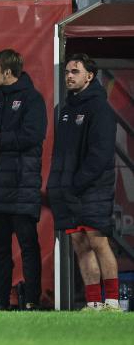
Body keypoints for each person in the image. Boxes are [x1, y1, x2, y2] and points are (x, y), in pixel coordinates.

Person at [0, 49, 46, 311]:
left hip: (21, 186)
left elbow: (33, 135)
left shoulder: (32, 100)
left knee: (28, 246)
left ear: (8, 72)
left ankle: (32, 302)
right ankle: (1, 302)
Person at [47, 54, 121, 311]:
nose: (69, 75)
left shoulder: (100, 108)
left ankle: (112, 301)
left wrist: (77, 183)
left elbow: (100, 154)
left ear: (89, 76)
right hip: (69, 190)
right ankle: (94, 302)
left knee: (98, 241)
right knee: (80, 245)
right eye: (67, 71)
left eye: (75, 71)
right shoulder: (65, 110)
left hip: (92, 188)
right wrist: (60, 187)